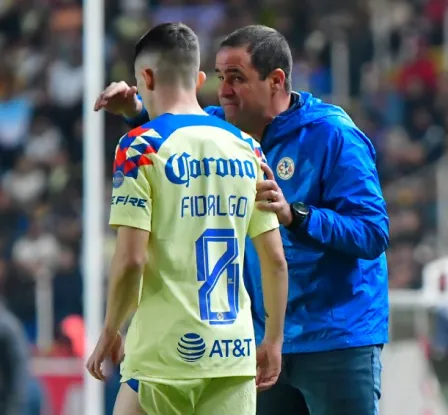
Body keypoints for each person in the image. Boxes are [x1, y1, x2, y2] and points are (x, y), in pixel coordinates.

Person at [95, 24, 389, 415]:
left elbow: (372, 232)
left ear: (277, 80)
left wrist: (296, 215)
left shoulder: (333, 135)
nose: (224, 90)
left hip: (335, 338)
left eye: (237, 78)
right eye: (219, 77)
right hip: (259, 340)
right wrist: (135, 112)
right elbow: (176, 137)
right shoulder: (231, 133)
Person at [86, 23, 288, 415]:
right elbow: (275, 261)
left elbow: (131, 260)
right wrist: (274, 340)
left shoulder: (140, 146)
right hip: (233, 355)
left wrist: (110, 330)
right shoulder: (249, 148)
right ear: (198, 79)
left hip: (165, 357)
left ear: (145, 77)